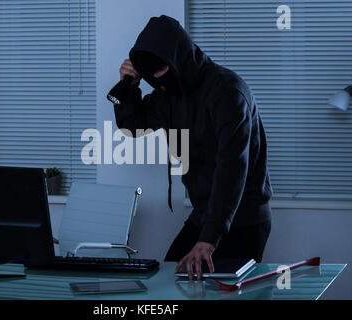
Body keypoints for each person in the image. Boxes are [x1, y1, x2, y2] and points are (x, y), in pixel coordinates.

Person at [112, 15, 273, 279]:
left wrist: (208, 240)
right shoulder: (168, 95)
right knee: (166, 279)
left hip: (244, 219)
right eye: (151, 75)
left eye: (161, 70)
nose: (157, 79)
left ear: (178, 57)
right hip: (204, 214)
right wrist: (129, 87)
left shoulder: (228, 92)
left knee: (221, 293)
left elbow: (231, 169)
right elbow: (133, 126)